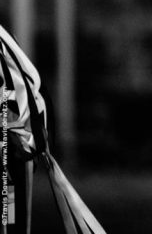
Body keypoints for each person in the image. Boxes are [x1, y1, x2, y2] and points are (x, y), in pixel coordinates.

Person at [0, 24, 106, 234]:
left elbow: (26, 95)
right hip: (17, 148)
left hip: (13, 153)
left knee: (10, 218)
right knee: (11, 217)